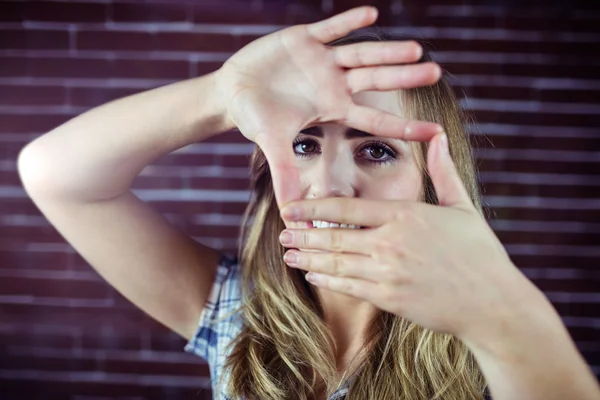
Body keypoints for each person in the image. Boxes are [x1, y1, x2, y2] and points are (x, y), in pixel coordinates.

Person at [17, 6, 600, 400]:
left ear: (431, 181)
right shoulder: (236, 316)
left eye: (375, 151)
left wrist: (500, 317)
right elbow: (55, 173)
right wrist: (221, 95)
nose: (328, 186)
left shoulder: (495, 357)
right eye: (305, 144)